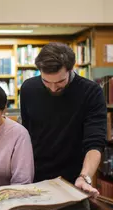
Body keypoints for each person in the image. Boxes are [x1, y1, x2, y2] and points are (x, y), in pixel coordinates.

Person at [20, 42, 107, 195]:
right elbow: (26, 134)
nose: (53, 88)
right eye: (46, 82)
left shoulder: (91, 92)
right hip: (35, 178)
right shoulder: (28, 89)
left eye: (60, 82)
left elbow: (95, 142)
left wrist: (84, 177)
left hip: (74, 181)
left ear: (70, 69)